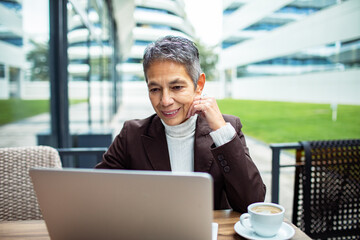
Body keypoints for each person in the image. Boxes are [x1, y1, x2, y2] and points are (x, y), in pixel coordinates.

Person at [95, 35, 265, 213]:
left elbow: (252, 203)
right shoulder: (132, 134)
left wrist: (221, 132)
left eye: (176, 87)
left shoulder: (228, 127)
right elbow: (97, 194)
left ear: (199, 85)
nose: (165, 101)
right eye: (155, 89)